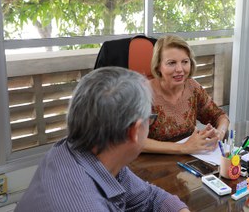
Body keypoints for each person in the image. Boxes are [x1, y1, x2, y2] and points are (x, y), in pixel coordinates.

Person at [15, 67, 189, 212]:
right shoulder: (85, 206)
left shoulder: (86, 152)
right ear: (134, 131)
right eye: (149, 118)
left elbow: (149, 197)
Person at [143, 35, 230, 154]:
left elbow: (220, 116)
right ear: (158, 66)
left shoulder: (192, 87)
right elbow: (134, 140)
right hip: (150, 164)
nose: (180, 69)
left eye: (185, 62)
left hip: (187, 160)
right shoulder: (143, 94)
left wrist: (219, 133)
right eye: (171, 63)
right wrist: (183, 148)